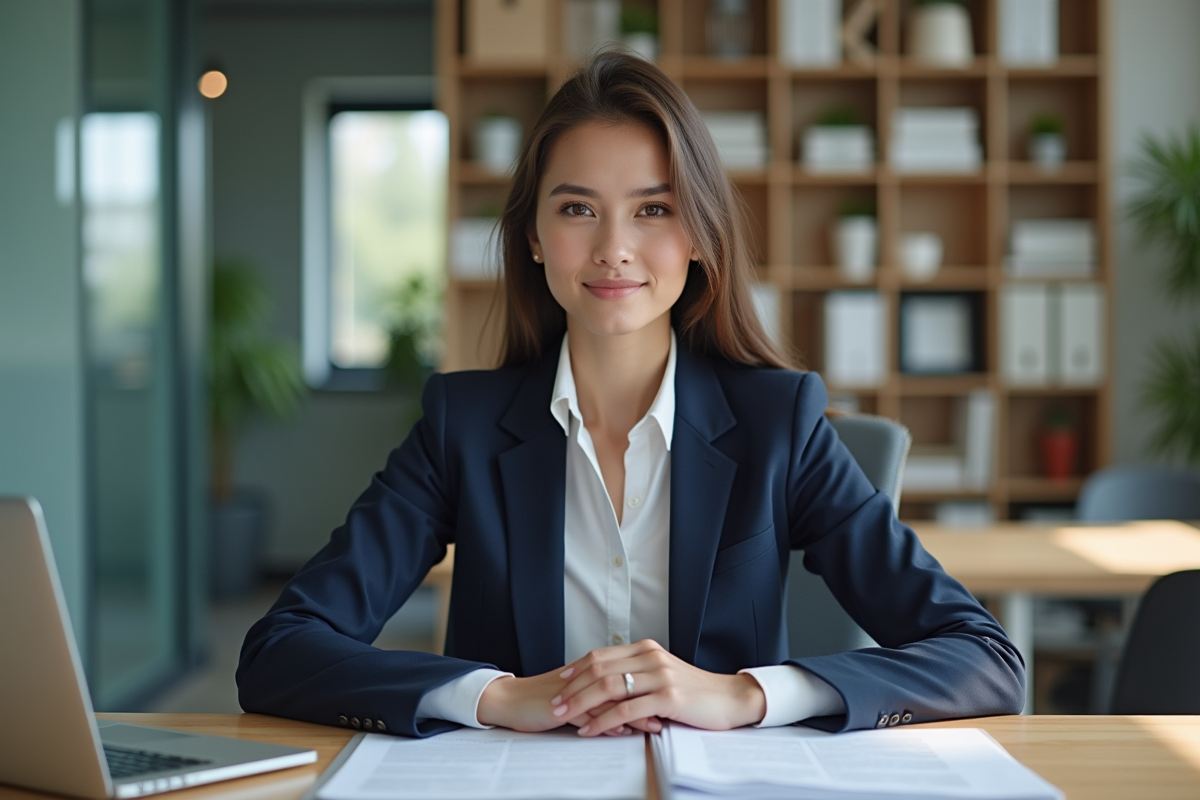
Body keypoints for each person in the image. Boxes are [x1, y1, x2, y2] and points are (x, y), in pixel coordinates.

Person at [237, 51, 1024, 739]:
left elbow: (983, 659)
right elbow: (282, 650)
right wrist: (495, 698)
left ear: (698, 235)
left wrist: (743, 696)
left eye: (654, 209)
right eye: (577, 208)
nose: (614, 248)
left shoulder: (777, 424)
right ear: (536, 237)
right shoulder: (462, 427)